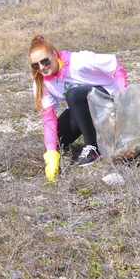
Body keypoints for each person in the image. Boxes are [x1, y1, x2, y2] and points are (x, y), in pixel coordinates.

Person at [29, 36, 128, 182]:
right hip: (84, 107)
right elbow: (48, 117)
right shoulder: (42, 83)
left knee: (73, 94)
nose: (42, 67)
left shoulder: (78, 61)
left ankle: (93, 147)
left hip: (110, 100)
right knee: (57, 140)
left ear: (54, 54)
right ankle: (100, 135)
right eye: (36, 65)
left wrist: (123, 93)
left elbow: (114, 65)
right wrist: (51, 154)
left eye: (45, 61)